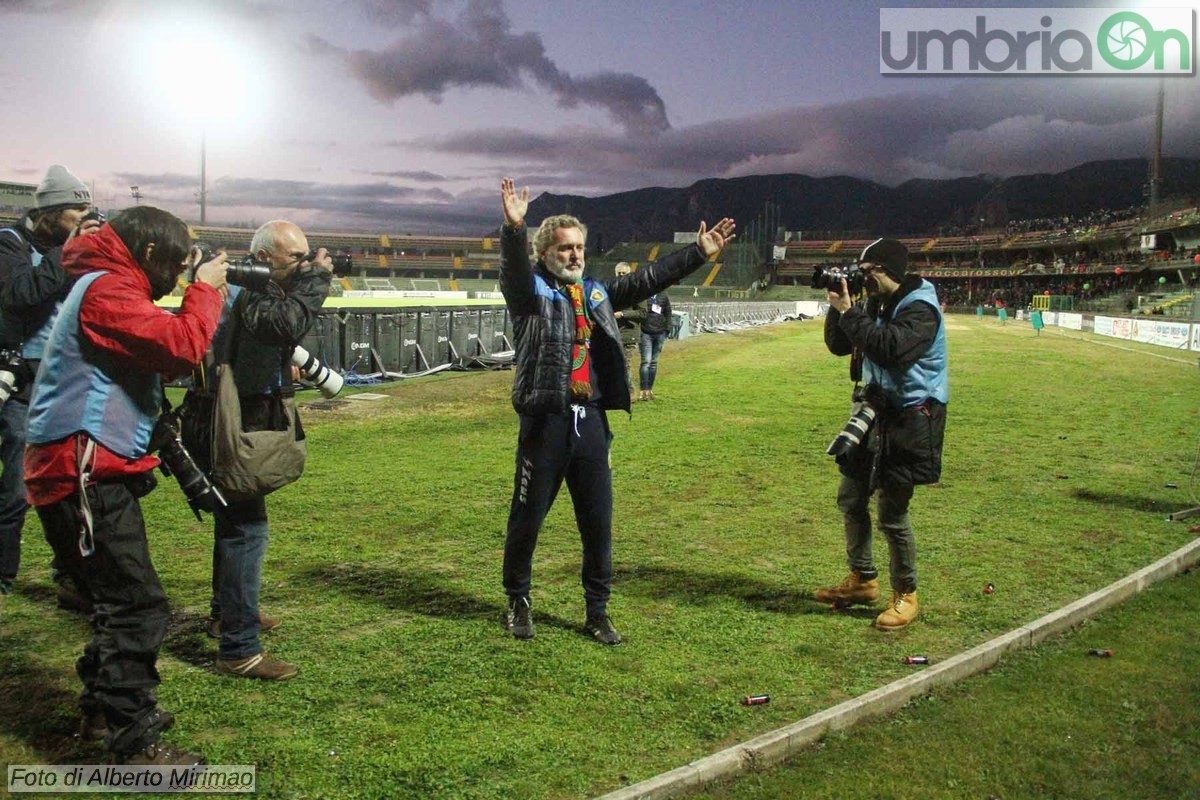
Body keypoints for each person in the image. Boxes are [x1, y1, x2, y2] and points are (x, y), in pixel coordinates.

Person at [23, 206, 227, 763]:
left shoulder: (103, 283)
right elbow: (180, 347)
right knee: (136, 604)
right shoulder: (107, 289)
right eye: (176, 261)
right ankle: (133, 742)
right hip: (82, 468)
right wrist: (205, 292)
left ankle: (99, 711)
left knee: (115, 601)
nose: (180, 271)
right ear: (147, 254)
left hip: (74, 466)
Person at [498, 178, 734, 645]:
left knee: (598, 522)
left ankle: (597, 610)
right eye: (564, 248)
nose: (574, 255)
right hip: (545, 423)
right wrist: (514, 229)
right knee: (527, 519)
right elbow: (513, 274)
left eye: (580, 247)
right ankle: (518, 601)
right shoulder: (531, 296)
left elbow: (647, 280)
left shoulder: (597, 294)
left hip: (591, 424)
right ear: (544, 253)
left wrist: (698, 254)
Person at [185, 220, 331, 680]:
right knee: (246, 530)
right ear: (266, 258)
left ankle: (224, 614)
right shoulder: (249, 290)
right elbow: (285, 321)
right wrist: (317, 281)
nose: (306, 265)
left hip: (214, 415)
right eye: (298, 259)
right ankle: (239, 647)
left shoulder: (242, 288)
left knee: (235, 523)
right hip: (226, 422)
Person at [816, 238, 948, 630]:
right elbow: (840, 345)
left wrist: (850, 313)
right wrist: (839, 304)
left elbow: (890, 349)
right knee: (851, 497)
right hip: (872, 410)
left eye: (867, 270)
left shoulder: (921, 308)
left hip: (911, 417)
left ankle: (906, 593)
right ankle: (862, 579)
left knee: (892, 512)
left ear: (886, 270)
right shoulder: (875, 302)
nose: (862, 277)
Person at [0, 165, 98, 610]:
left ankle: (71, 576)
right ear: (52, 211)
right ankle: (3, 575)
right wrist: (72, 250)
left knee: (69, 484)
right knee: (17, 486)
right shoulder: (9, 244)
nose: (84, 216)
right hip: (22, 380)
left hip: (65, 380)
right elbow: (22, 293)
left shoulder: (70, 248)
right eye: (77, 209)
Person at [611, 262, 645, 398]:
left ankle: (630, 393)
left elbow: (643, 313)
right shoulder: (613, 290)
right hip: (614, 333)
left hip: (629, 334)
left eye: (623, 273)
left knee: (625, 365)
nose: (620, 276)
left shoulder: (637, 292)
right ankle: (619, 392)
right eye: (618, 273)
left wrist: (623, 314)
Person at [637, 287, 672, 401]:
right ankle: (643, 390)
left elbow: (668, 311)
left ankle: (650, 389)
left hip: (660, 332)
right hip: (645, 332)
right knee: (646, 362)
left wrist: (667, 329)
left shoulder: (663, 295)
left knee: (653, 363)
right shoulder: (642, 294)